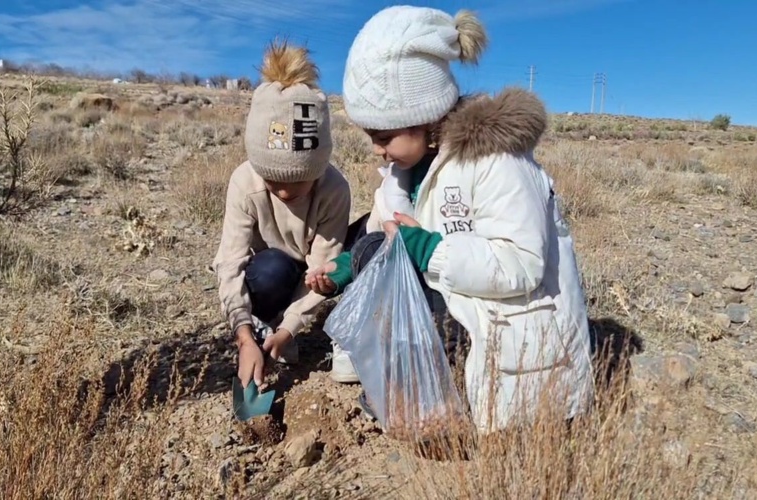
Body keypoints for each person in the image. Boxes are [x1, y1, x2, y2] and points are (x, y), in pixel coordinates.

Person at [306, 6, 595, 433]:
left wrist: (429, 249)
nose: (376, 150)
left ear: (423, 116)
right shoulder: (401, 174)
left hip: (513, 341)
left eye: (383, 136)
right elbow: (381, 242)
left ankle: (440, 395)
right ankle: (420, 387)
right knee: (367, 248)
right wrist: (344, 270)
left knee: (393, 255)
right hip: (461, 309)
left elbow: (521, 264)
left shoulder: (496, 162)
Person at [212, 39, 351, 390]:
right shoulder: (244, 182)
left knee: (359, 254)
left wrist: (291, 329)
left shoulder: (334, 189)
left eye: (300, 181)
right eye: (274, 182)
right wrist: (244, 335)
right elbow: (229, 262)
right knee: (271, 268)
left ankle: (291, 333)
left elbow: (323, 265)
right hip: (269, 272)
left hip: (309, 273)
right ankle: (261, 329)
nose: (286, 192)